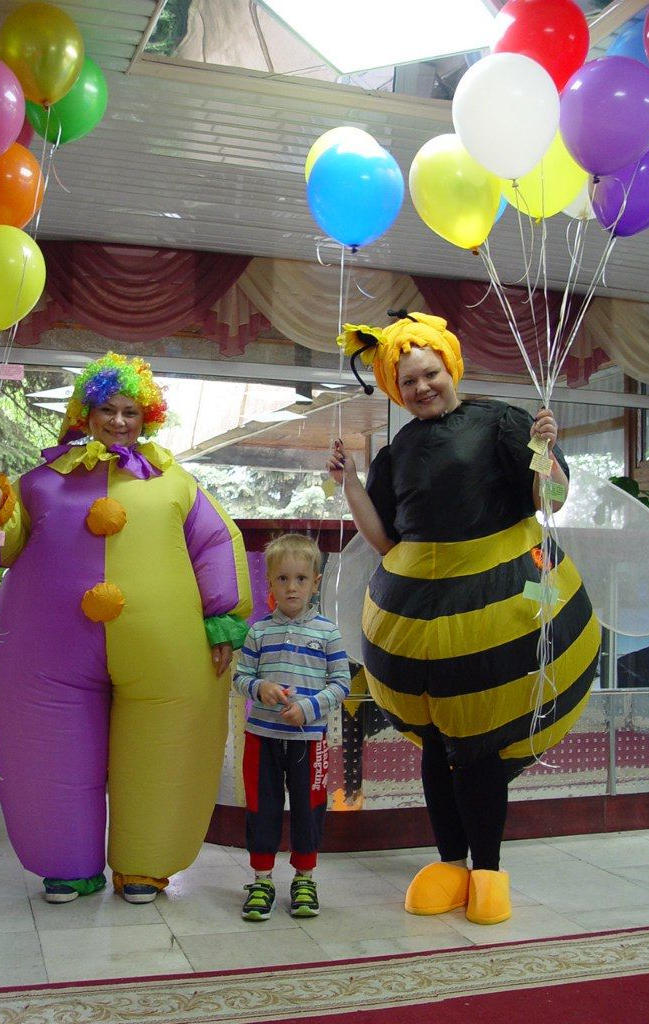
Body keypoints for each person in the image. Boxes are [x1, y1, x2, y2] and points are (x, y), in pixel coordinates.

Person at [326, 312, 600, 926]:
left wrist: (546, 451)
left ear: (451, 367)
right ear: (396, 390)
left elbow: (551, 501)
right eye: (409, 382)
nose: (422, 387)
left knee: (477, 747)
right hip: (416, 621)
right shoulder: (398, 452)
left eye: (431, 374)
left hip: (495, 611)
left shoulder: (500, 421)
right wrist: (350, 484)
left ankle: (488, 871)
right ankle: (450, 863)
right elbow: (385, 540)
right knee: (434, 743)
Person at [0, 352, 252, 904]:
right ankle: (65, 864)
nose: (119, 421)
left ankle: (146, 865)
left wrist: (223, 620)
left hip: (164, 649)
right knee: (48, 746)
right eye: (107, 410)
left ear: (147, 418)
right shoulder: (40, 483)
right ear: (85, 415)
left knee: (164, 747)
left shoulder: (176, 483)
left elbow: (217, 542)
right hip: (48, 649)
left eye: (130, 412)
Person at [232, 533, 350, 921]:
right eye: (282, 579)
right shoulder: (258, 632)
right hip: (261, 739)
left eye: (300, 579)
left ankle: (304, 878)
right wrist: (260, 688)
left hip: (309, 741)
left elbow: (342, 684)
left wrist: (309, 708)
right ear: (270, 582)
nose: (291, 587)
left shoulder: (328, 632)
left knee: (308, 809)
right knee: (261, 808)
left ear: (316, 582)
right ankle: (261, 880)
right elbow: (240, 677)